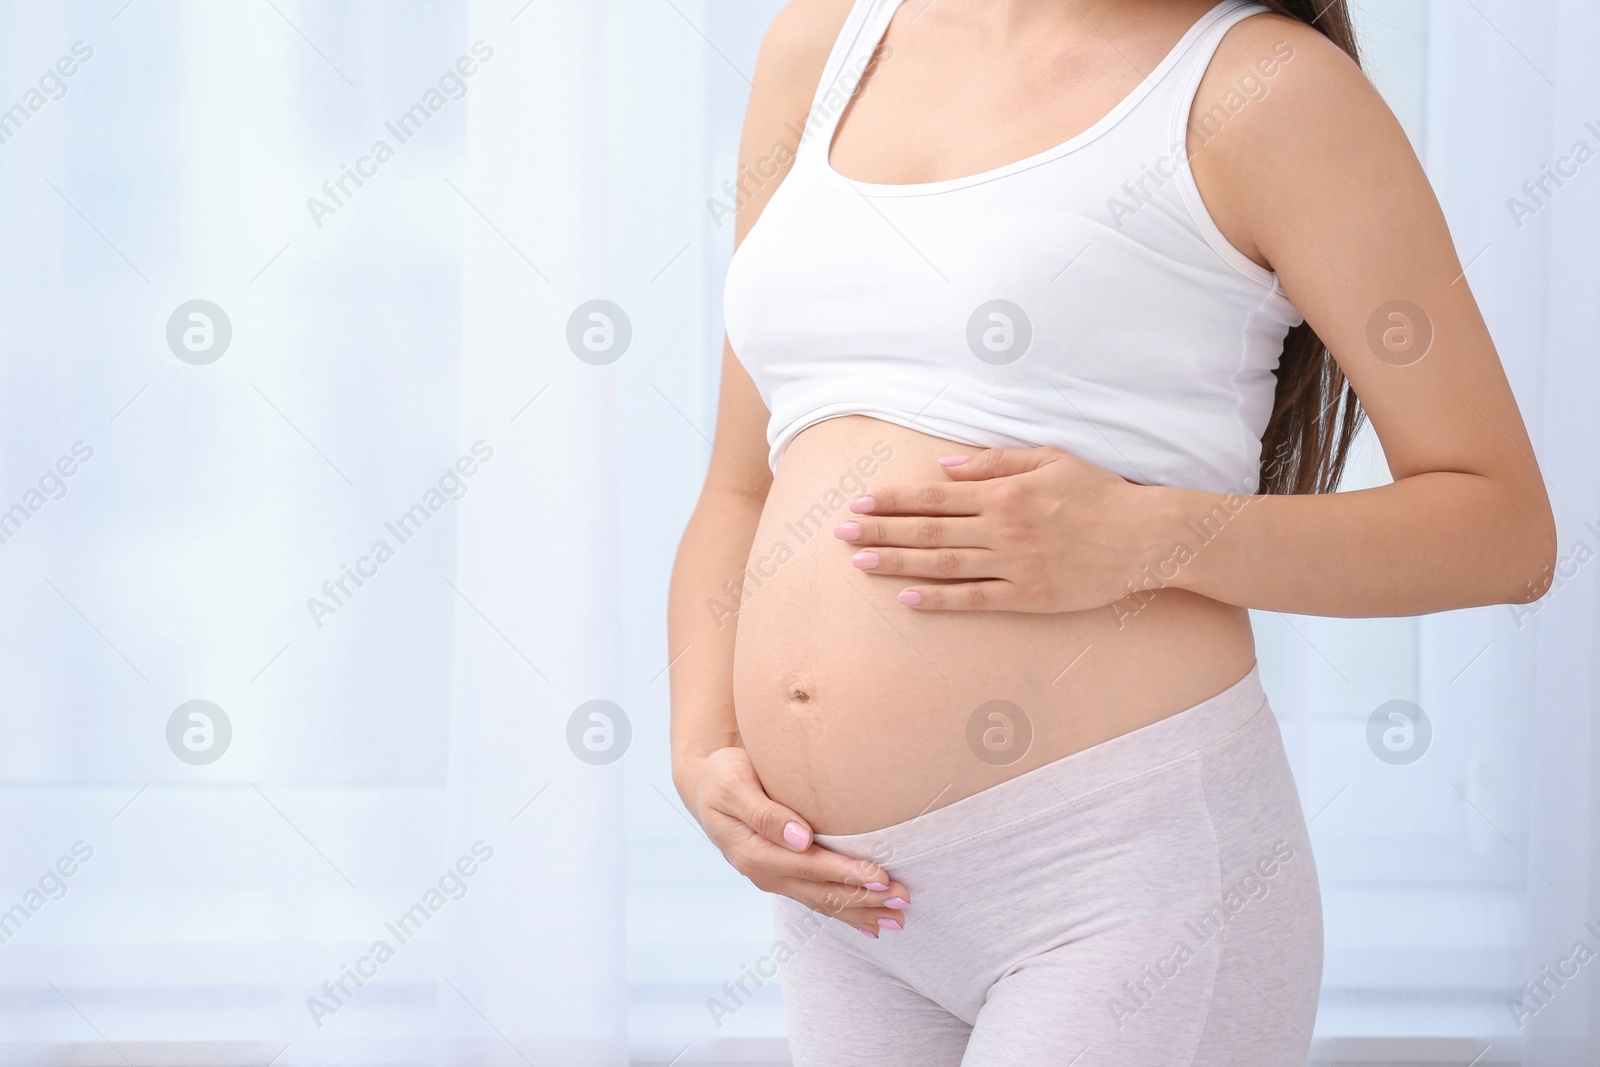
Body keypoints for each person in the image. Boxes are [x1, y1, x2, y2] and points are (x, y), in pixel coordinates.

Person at [668, 0, 1556, 1062]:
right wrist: (702, 740)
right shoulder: (822, 42)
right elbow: (737, 484)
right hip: (845, 904)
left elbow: (1503, 528)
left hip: (1121, 881)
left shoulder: (1265, 87)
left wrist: (1149, 535)